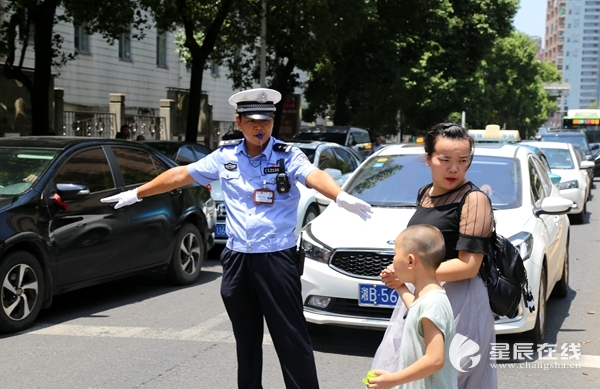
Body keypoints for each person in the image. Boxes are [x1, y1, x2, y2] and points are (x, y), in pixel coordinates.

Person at [100, 88, 372, 389]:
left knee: (291, 339)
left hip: (276, 260)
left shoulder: (287, 155)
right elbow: (181, 175)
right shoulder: (225, 156)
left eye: (267, 121)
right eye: (254, 121)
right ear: (239, 121)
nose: (261, 127)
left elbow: (313, 175)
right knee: (247, 342)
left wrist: (340, 195)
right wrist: (136, 193)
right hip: (238, 259)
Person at [372, 122, 496, 388]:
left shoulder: (474, 200)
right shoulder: (424, 194)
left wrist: (415, 273)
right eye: (445, 159)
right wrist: (408, 277)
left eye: (463, 160)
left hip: (459, 298)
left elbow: (469, 265)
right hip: (422, 291)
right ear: (428, 158)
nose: (454, 168)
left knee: (447, 375)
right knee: (405, 367)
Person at [367, 224, 456, 389]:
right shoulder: (426, 298)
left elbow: (435, 359)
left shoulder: (433, 303)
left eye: (394, 254)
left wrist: (393, 380)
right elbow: (416, 310)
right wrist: (400, 287)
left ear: (410, 261)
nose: (392, 261)